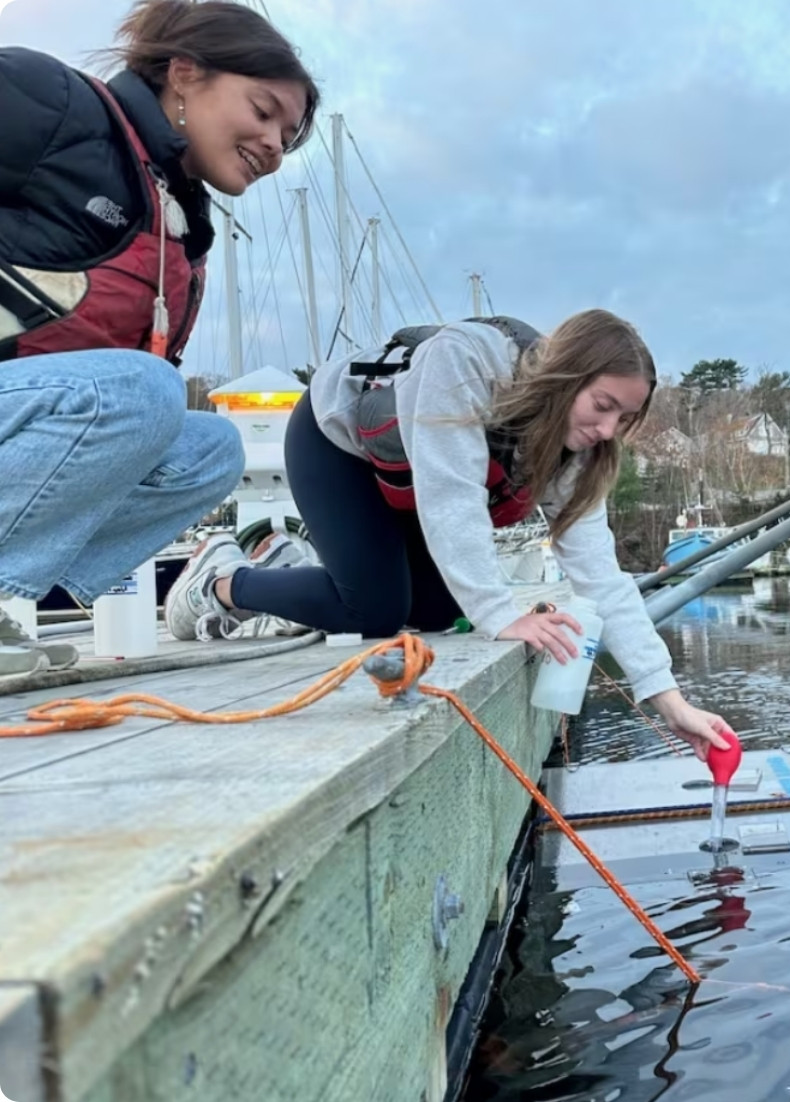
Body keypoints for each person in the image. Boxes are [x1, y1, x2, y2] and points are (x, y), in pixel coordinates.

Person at [165, 310, 732, 758]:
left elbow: (603, 579)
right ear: (566, 378)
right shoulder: (464, 363)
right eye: (601, 406)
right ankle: (222, 582)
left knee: (437, 611)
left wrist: (670, 700)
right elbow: (452, 500)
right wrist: (500, 613)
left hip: (412, 481)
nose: (607, 430)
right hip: (337, 444)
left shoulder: (582, 450)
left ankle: (289, 561)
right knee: (375, 610)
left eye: (622, 419)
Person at [0, 0, 319, 676]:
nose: (274, 146)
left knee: (208, 449)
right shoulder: (52, 105)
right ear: (183, 74)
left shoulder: (178, 225)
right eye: (263, 113)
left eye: (288, 137)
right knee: (147, 390)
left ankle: (7, 595)